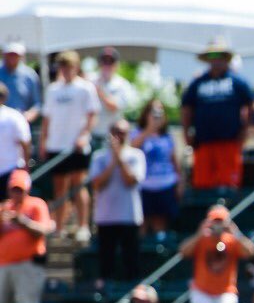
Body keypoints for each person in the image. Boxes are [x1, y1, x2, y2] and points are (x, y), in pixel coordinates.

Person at [180, 39, 254, 191]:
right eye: (212, 56)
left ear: (226, 58)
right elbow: (186, 108)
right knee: (202, 184)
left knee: (228, 184)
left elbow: (252, 104)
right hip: (203, 142)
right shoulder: (198, 82)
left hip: (229, 141)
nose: (215, 60)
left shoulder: (237, 81)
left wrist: (246, 129)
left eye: (219, 55)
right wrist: (186, 132)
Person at [40, 50, 99, 241]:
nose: (66, 70)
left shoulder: (86, 88)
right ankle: (59, 228)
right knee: (60, 188)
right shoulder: (53, 90)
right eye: (63, 66)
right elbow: (47, 118)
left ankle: (83, 226)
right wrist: (43, 141)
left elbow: (92, 115)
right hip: (56, 145)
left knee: (78, 185)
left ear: (76, 67)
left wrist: (84, 135)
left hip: (77, 147)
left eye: (69, 66)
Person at [179, 205, 254, 303]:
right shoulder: (201, 239)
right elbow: (183, 252)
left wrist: (236, 233)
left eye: (221, 221)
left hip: (225, 291)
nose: (218, 225)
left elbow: (251, 252)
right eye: (215, 221)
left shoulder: (232, 240)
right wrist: (199, 234)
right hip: (202, 290)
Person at [90, 120, 146, 284]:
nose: (118, 136)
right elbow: (97, 184)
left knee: (131, 263)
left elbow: (130, 181)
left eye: (122, 132)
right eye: (115, 132)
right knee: (106, 265)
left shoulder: (136, 155)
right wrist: (113, 161)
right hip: (105, 218)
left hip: (129, 217)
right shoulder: (99, 157)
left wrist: (119, 158)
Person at [0, 170, 52, 303]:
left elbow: (44, 230)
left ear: (27, 189)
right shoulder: (4, 208)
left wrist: (22, 221)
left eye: (20, 189)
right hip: (3, 264)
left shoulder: (36, 205)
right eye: (13, 189)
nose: (16, 193)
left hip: (28, 264)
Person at [131, 99, 180, 237]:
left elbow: (174, 161)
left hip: (165, 185)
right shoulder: (137, 133)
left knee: (160, 222)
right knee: (142, 222)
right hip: (143, 186)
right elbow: (131, 149)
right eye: (153, 112)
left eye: (160, 112)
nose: (157, 115)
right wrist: (149, 129)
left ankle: (159, 247)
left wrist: (180, 182)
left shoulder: (167, 136)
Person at [91, 47, 138, 142]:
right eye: (104, 61)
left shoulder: (122, 84)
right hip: (91, 136)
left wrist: (99, 91)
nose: (107, 65)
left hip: (112, 137)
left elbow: (114, 107)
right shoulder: (90, 80)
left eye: (111, 62)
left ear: (117, 64)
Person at [0, 84, 31, 198]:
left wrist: (26, 166)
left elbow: (25, 142)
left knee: (11, 204)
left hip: (11, 169)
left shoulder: (14, 116)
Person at [0, 43, 40, 124]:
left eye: (15, 55)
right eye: (10, 55)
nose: (12, 58)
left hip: (21, 121)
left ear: (21, 56)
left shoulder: (30, 75)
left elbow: (37, 104)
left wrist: (29, 116)